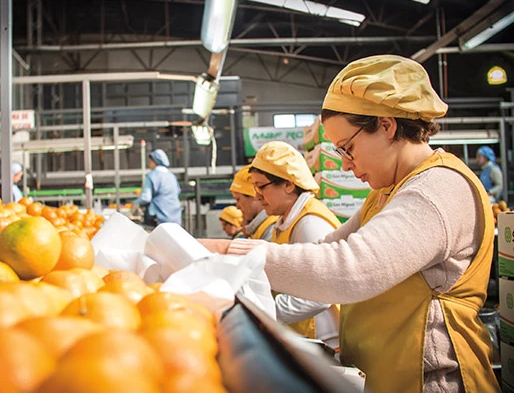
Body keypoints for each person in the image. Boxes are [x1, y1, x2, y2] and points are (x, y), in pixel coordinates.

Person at [200, 55, 499, 392]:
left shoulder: (437, 189)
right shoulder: (385, 193)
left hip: (433, 383)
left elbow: (349, 269)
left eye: (348, 148)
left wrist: (228, 250)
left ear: (386, 125)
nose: (345, 166)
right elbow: (324, 252)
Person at [249, 141, 343, 347]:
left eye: (260, 186)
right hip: (306, 334)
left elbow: (321, 294)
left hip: (326, 340)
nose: (256, 195)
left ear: (288, 185)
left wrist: (265, 310)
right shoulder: (286, 220)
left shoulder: (309, 223)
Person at [133, 149, 182, 227]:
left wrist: (135, 203)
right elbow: (177, 192)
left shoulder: (152, 176)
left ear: (155, 161)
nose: (149, 164)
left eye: (150, 161)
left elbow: (146, 198)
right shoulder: (172, 176)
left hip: (159, 218)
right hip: (175, 217)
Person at [229, 164, 277, 240]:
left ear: (254, 196)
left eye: (238, 199)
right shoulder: (260, 228)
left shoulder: (272, 229)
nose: (237, 206)